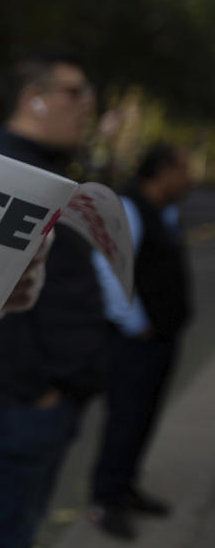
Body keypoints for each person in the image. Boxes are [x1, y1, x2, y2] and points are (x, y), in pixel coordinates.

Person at [0, 51, 109, 548]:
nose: (87, 105)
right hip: (25, 400)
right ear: (34, 100)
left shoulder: (39, 167)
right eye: (75, 92)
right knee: (6, 534)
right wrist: (35, 388)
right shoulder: (6, 168)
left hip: (45, 397)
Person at [87, 142, 194, 540]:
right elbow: (110, 268)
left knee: (143, 419)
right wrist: (136, 324)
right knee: (126, 419)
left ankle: (125, 487)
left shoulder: (165, 211)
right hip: (135, 342)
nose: (189, 178)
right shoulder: (130, 207)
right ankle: (105, 500)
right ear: (162, 171)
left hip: (160, 339)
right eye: (183, 169)